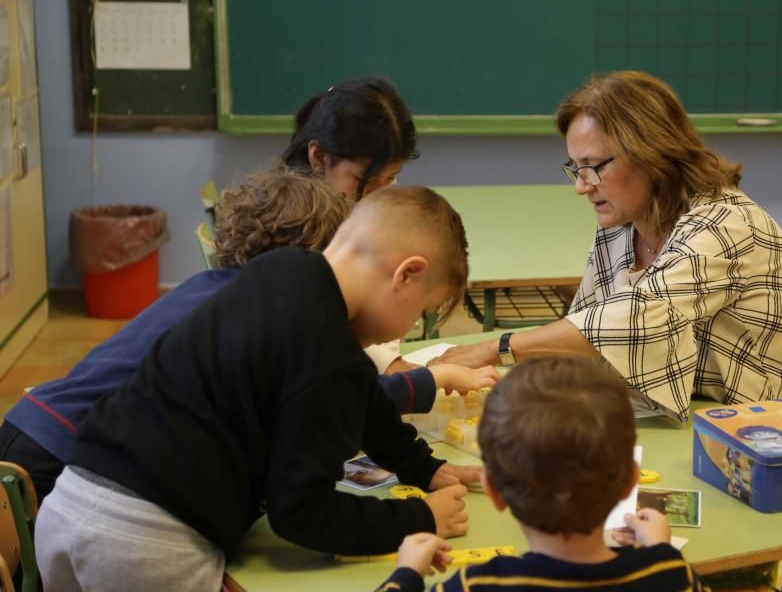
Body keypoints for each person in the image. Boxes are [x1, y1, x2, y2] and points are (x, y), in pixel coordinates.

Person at [35, 185, 481, 591]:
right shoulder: (330, 354)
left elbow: (361, 395)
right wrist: (418, 517)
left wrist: (422, 467)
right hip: (145, 544)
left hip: (67, 503)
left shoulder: (283, 270)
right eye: (420, 311)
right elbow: (303, 513)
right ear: (406, 274)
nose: (406, 328)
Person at [0, 169, 497, 503]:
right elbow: (330, 398)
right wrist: (429, 381)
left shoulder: (215, 291)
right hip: (61, 457)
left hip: (31, 423)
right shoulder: (271, 316)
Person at [438, 71, 782, 420]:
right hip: (705, 413)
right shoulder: (625, 223)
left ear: (651, 151)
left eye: (595, 166)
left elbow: (637, 318)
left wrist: (497, 348)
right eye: (576, 168)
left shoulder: (727, 224)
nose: (581, 185)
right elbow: (590, 325)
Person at [376, 357, 707, 592]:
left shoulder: (477, 585)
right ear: (630, 482)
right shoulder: (670, 574)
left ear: (492, 489)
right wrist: (660, 551)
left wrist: (407, 573)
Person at [282, 75, 420, 373]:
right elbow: (318, 343)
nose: (380, 193)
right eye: (364, 180)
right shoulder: (293, 228)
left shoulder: (356, 203)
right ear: (318, 156)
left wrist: (390, 362)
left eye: (391, 178)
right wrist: (392, 371)